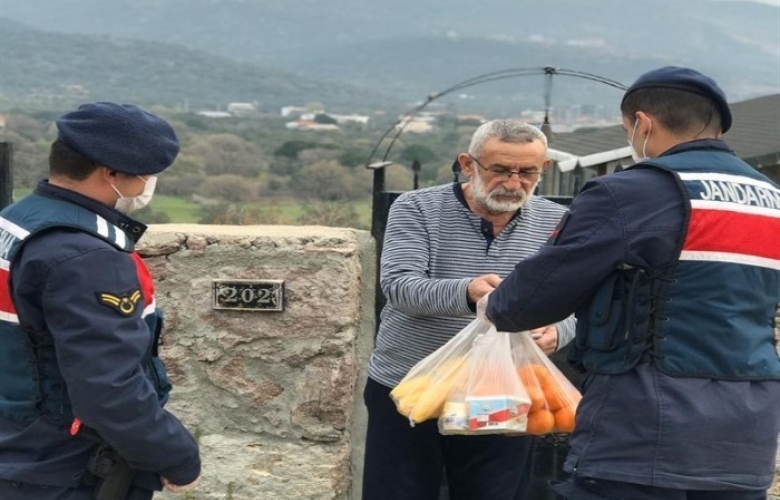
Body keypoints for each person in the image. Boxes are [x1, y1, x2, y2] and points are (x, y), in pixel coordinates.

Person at [483, 66, 780, 500]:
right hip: (744, 439)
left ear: (643, 124)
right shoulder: (771, 199)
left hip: (643, 435)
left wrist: (492, 303)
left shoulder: (633, 192)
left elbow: (525, 302)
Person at [362, 119, 576, 500]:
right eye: (499, 170)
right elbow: (398, 287)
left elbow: (573, 299)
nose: (513, 184)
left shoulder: (555, 220)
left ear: (544, 170)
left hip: (505, 390)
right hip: (409, 385)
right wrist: (469, 292)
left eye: (527, 172)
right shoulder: (417, 208)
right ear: (467, 164)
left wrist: (560, 330)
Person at [0, 102, 201, 499]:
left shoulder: (16, 222)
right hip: (64, 467)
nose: (147, 183)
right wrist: (176, 456)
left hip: (17, 445)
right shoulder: (88, 257)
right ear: (110, 173)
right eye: (145, 173)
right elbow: (108, 387)